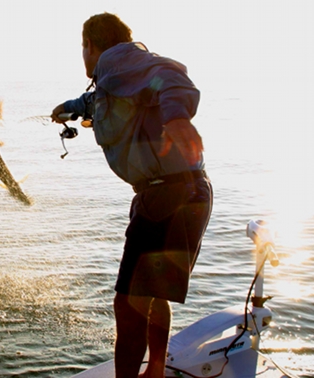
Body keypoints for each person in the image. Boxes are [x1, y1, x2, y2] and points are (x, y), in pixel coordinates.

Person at [51, 13, 213, 378]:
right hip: (186, 190)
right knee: (152, 294)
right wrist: (69, 108)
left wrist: (177, 118)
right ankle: (154, 369)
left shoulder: (119, 61)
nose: (83, 54)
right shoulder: (115, 77)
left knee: (128, 304)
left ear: (90, 45)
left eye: (82, 47)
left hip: (165, 196)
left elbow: (171, 75)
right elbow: (98, 100)